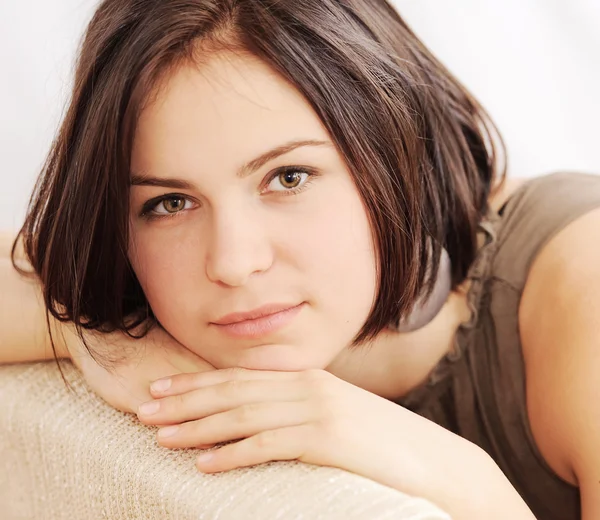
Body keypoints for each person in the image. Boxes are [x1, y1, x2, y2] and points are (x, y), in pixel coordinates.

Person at [2, 1, 600, 518]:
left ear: (397, 153)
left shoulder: (583, 283)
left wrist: (467, 484)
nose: (233, 262)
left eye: (289, 177)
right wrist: (100, 335)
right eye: (171, 202)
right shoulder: (135, 262)